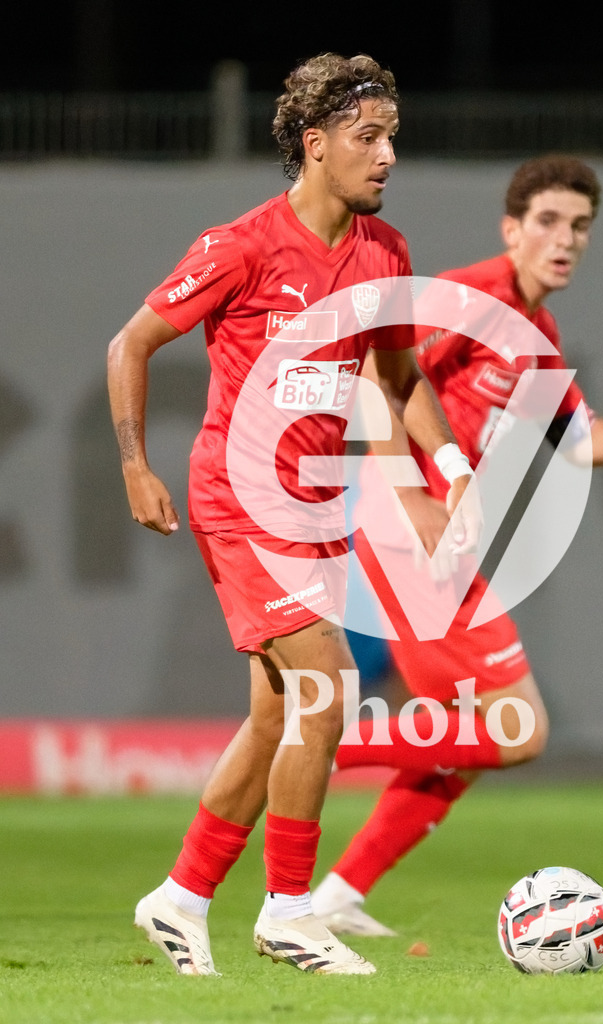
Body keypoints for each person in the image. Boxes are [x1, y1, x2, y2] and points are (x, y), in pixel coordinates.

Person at [107, 52, 480, 977]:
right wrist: (132, 465)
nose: (387, 155)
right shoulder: (240, 246)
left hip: (313, 509)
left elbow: (397, 374)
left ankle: (182, 897)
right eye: (367, 138)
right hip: (239, 501)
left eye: (391, 137)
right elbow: (132, 342)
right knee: (328, 688)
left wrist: (444, 463)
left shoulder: (383, 253)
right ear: (315, 147)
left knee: (278, 717)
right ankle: (287, 913)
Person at [308, 154, 603, 937]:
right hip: (405, 529)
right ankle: (318, 743)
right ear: (511, 229)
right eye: (548, 221)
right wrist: (410, 487)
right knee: (520, 730)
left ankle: (339, 893)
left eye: (579, 226)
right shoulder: (472, 298)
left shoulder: (536, 332)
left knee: (468, 738)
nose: (566, 239)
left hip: (438, 544)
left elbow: (582, 444)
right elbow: (372, 377)